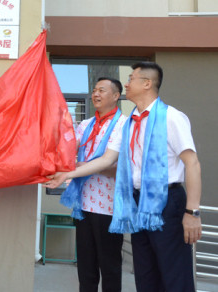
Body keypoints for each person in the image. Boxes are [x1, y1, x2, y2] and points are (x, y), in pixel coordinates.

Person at [45, 62, 202, 291]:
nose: (127, 83)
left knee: (174, 274)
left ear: (147, 84)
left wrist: (192, 212)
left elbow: (193, 163)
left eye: (131, 79)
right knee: (145, 272)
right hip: (137, 203)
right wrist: (66, 175)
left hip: (167, 201)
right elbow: (106, 160)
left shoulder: (171, 117)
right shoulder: (129, 123)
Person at [59, 77, 127, 292]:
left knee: (110, 266)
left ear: (116, 96)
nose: (96, 94)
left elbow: (118, 165)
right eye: (95, 90)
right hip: (83, 205)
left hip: (109, 207)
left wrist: (84, 167)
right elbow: (69, 149)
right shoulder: (86, 124)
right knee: (86, 267)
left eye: (102, 90)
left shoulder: (124, 124)